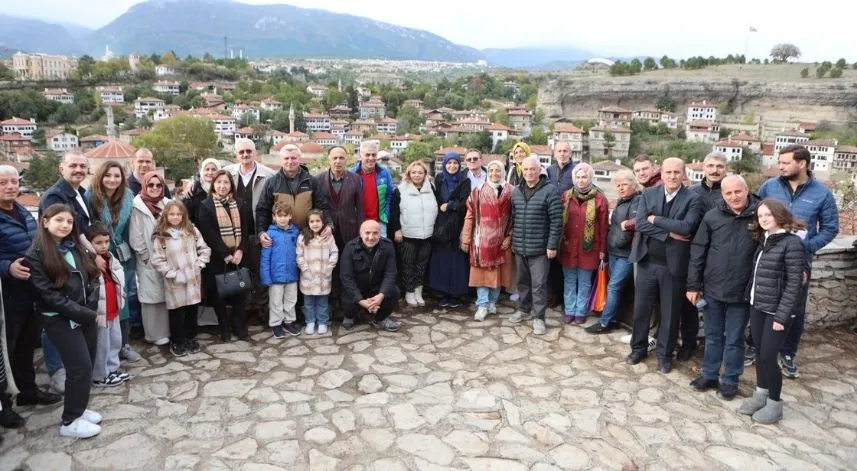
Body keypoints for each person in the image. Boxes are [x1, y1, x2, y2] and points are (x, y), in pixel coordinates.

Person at [754, 144, 839, 379]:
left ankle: (788, 353)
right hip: (768, 260)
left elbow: (831, 228)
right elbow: (755, 218)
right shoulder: (768, 187)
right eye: (779, 162)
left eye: (785, 163)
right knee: (759, 303)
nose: (779, 166)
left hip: (799, 263)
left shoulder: (822, 193)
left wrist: (805, 248)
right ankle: (756, 347)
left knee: (795, 310)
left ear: (802, 164)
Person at [27, 204, 103, 438]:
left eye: (69, 222)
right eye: (59, 220)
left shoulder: (74, 246)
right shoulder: (37, 254)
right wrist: (85, 314)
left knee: (86, 364)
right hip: (59, 319)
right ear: (45, 221)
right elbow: (49, 296)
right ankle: (70, 421)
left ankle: (78, 407)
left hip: (83, 314)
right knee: (78, 366)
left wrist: (90, 306)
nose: (64, 225)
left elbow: (92, 276)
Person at [686, 176, 760, 399]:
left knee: (734, 338)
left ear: (747, 191)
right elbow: (698, 250)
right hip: (713, 287)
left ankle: (730, 380)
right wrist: (693, 284)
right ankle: (709, 374)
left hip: (743, 289)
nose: (733, 197)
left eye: (738, 192)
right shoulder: (712, 216)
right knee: (713, 335)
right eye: (728, 193)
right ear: (723, 195)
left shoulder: (760, 216)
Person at [627, 158, 703, 373]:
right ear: (661, 173)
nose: (672, 176)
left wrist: (655, 220)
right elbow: (640, 224)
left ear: (683, 173)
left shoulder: (692, 199)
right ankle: (638, 349)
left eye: (676, 172)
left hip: (673, 267)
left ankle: (664, 356)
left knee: (670, 315)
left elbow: (686, 227)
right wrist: (669, 232)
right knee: (642, 310)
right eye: (668, 172)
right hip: (646, 263)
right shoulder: (649, 194)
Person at [0, 166, 61, 429]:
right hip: (6, 294)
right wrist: (6, 267)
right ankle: (5, 405)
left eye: (14, 181)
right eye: (4, 182)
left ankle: (27, 391)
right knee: (6, 351)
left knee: (26, 344)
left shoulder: (22, 210)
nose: (11, 186)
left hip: (30, 289)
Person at [738, 199, 806, 424]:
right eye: (760, 216)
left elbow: (794, 284)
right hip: (758, 306)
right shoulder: (765, 240)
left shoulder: (791, 243)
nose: (764, 219)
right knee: (759, 354)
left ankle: (775, 404)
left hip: (778, 312)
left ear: (779, 215)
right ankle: (761, 394)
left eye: (768, 215)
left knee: (768, 356)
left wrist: (782, 316)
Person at [39, 152, 95, 394]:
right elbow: (62, 232)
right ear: (61, 168)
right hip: (59, 261)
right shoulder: (55, 195)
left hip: (76, 259)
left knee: (70, 316)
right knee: (56, 318)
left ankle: (72, 367)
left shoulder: (80, 192)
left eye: (83, 166)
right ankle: (56, 370)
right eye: (73, 165)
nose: (78, 170)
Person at [85, 160, 141, 364]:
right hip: (99, 253)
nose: (112, 180)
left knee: (124, 297)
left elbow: (130, 226)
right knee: (105, 299)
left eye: (117, 176)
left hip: (124, 254)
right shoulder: (91, 196)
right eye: (108, 175)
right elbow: (87, 227)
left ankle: (123, 344)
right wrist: (95, 253)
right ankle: (104, 347)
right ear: (101, 176)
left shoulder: (127, 196)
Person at [196, 170, 254, 342]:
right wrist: (225, 253)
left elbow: (246, 229)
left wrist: (240, 250)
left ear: (231, 186)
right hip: (217, 258)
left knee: (240, 293)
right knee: (218, 294)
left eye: (226, 182)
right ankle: (224, 328)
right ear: (213, 184)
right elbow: (208, 233)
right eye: (219, 182)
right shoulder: (205, 205)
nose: (222, 186)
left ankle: (239, 325)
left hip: (239, 256)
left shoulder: (241, 204)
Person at [509, 157, 563, 335]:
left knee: (539, 285)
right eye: (526, 170)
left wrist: (552, 245)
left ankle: (539, 318)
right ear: (521, 171)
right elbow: (513, 218)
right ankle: (524, 310)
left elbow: (557, 221)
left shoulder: (550, 191)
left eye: (533, 169)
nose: (529, 173)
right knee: (522, 282)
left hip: (540, 249)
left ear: (539, 170)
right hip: (520, 246)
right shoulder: (516, 192)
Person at [150, 201, 211, 358]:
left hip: (192, 278)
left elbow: (204, 249)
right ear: (166, 215)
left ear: (183, 215)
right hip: (175, 280)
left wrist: (198, 265)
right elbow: (157, 260)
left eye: (178, 214)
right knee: (177, 312)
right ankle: (177, 340)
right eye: (172, 214)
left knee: (192, 309)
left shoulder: (191, 230)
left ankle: (191, 337)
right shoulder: (161, 236)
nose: (175, 217)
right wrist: (172, 274)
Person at [224, 139, 276, 320]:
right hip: (236, 234)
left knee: (260, 270)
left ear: (254, 153)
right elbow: (210, 182)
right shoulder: (228, 174)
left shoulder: (269, 175)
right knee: (240, 271)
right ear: (236, 155)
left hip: (259, 230)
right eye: (241, 152)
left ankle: (261, 307)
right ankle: (244, 309)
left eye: (248, 151)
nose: (245, 155)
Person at [586, 169, 641, 334]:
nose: (621, 188)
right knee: (616, 287)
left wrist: (618, 242)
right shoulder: (622, 201)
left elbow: (634, 226)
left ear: (633, 184)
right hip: (615, 252)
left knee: (614, 287)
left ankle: (604, 323)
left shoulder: (637, 201)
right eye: (618, 185)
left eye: (624, 184)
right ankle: (614, 318)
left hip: (625, 254)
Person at [461, 160, 515, 321]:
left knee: (499, 273)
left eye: (497, 170)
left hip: (502, 241)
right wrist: (465, 239)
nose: (494, 174)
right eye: (491, 170)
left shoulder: (511, 192)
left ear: (503, 172)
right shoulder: (477, 191)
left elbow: (516, 216)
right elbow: (469, 216)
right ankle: (482, 304)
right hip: (481, 241)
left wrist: (510, 236)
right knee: (482, 275)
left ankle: (492, 302)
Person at [559, 163, 608, 324]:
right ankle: (569, 310)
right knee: (569, 281)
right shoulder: (566, 196)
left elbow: (603, 227)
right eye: (578, 177)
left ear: (590, 178)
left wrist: (602, 250)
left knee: (585, 282)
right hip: (568, 247)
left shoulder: (600, 198)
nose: (581, 180)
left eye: (584, 177)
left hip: (589, 248)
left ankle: (580, 311)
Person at [84, 223, 130, 387]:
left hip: (114, 306)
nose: (103, 246)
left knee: (114, 340)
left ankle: (112, 369)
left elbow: (118, 272)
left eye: (106, 241)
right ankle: (100, 374)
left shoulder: (110, 257)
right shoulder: (88, 262)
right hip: (101, 311)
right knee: (101, 344)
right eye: (98, 243)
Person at [129, 172, 171, 346]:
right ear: (144, 186)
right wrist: (147, 257)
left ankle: (167, 331)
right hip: (148, 259)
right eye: (150, 185)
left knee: (166, 295)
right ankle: (154, 334)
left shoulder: (168, 204)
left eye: (158, 185)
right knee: (152, 298)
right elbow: (135, 236)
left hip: (168, 258)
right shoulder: (137, 206)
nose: (154, 188)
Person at [389, 161, 438, 307]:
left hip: (427, 234)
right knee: (408, 264)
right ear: (409, 174)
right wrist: (397, 229)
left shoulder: (432, 188)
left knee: (422, 265)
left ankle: (418, 291)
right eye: (414, 172)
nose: (417, 175)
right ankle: (409, 292)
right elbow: (394, 212)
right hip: (408, 234)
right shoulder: (401, 189)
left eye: (420, 172)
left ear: (425, 174)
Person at [428, 152, 472, 307]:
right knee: (442, 259)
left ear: (459, 165)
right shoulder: (439, 179)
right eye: (449, 163)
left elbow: (466, 202)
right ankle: (442, 292)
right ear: (444, 164)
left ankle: (455, 293)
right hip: (441, 224)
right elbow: (436, 199)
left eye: (455, 163)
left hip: (457, 224)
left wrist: (451, 205)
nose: (452, 166)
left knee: (456, 260)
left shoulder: (464, 180)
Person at [257, 144, 331, 237]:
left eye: (293, 158)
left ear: (299, 159)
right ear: (281, 160)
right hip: (281, 236)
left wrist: (328, 224)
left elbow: (322, 207)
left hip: (308, 235)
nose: (290, 161)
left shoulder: (312, 181)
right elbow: (263, 210)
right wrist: (261, 232)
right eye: (286, 158)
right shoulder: (272, 183)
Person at [340, 220, 400, 331]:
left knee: (393, 291)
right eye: (367, 233)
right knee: (348, 302)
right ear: (361, 233)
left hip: (377, 289)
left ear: (380, 233)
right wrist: (360, 300)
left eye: (375, 233)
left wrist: (381, 295)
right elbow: (346, 277)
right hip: (358, 288)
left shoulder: (388, 246)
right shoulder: (350, 247)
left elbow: (390, 274)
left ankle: (381, 318)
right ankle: (350, 316)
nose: (371, 237)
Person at [260, 201, 301, 338]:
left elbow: (300, 252)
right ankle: (276, 324)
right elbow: (265, 257)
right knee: (276, 301)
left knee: (291, 300)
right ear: (274, 216)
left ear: (290, 216)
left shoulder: (295, 232)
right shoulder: (270, 234)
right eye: (280, 215)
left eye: (285, 215)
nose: (283, 218)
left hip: (292, 274)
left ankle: (289, 322)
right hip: (275, 276)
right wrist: (266, 277)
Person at [296, 209, 339, 335]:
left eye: (318, 221)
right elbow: (299, 256)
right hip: (308, 276)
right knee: (308, 302)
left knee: (322, 302)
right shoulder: (302, 237)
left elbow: (334, 253)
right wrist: (305, 269)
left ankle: (322, 322)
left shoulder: (328, 237)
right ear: (308, 223)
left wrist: (329, 268)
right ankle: (310, 321)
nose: (315, 224)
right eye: (312, 221)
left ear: (323, 222)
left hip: (323, 276)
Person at [316, 146, 363, 251]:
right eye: (335, 158)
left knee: (347, 262)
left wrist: (361, 229)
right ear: (329, 160)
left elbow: (360, 207)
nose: (338, 161)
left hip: (349, 229)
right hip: (326, 230)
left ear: (346, 159)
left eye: (341, 158)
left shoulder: (355, 179)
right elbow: (316, 207)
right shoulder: (318, 179)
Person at [350, 141, 394, 237]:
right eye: (367, 155)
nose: (371, 158)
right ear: (360, 156)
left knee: (381, 250)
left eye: (374, 155)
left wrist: (385, 214)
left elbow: (390, 195)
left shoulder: (384, 172)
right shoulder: (351, 174)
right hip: (359, 222)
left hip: (379, 222)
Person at [182, 158, 220, 226]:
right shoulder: (192, 191)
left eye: (213, 169)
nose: (210, 172)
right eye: (207, 169)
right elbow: (185, 216)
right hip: (198, 233)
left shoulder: (223, 190)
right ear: (202, 171)